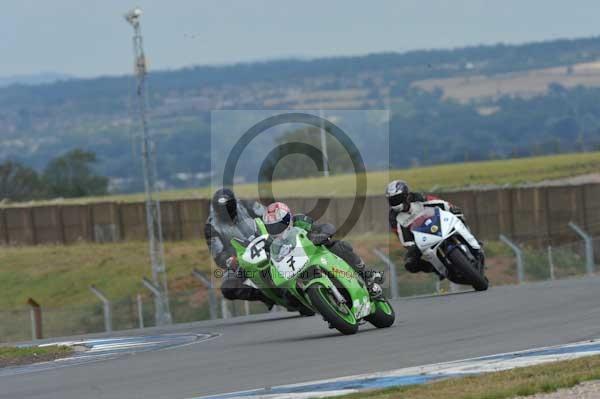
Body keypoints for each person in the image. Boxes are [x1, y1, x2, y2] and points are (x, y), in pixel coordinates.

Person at [262, 202, 383, 298]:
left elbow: (324, 227)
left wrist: (322, 235)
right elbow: (270, 258)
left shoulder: (299, 221)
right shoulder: (271, 242)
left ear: (288, 219)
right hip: (294, 267)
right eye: (272, 227)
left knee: (339, 246)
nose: (277, 229)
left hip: (315, 252)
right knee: (283, 288)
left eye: (279, 225)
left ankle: (367, 276)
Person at [204, 188, 273, 306]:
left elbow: (269, 215)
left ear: (234, 203)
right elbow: (218, 254)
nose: (226, 212)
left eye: (229, 208)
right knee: (228, 288)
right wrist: (230, 260)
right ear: (216, 209)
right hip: (240, 260)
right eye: (222, 210)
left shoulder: (247, 204)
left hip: (267, 244)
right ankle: (263, 295)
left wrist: (275, 231)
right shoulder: (211, 226)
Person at [386, 180, 465, 276]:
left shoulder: (417, 197)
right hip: (419, 238)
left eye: (397, 198)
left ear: (405, 195)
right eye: (392, 200)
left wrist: (450, 207)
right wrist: (411, 246)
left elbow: (434, 201)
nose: (395, 202)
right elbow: (401, 235)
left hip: (435, 223)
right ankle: (435, 269)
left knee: (458, 216)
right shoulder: (393, 217)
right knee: (410, 264)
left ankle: (469, 239)